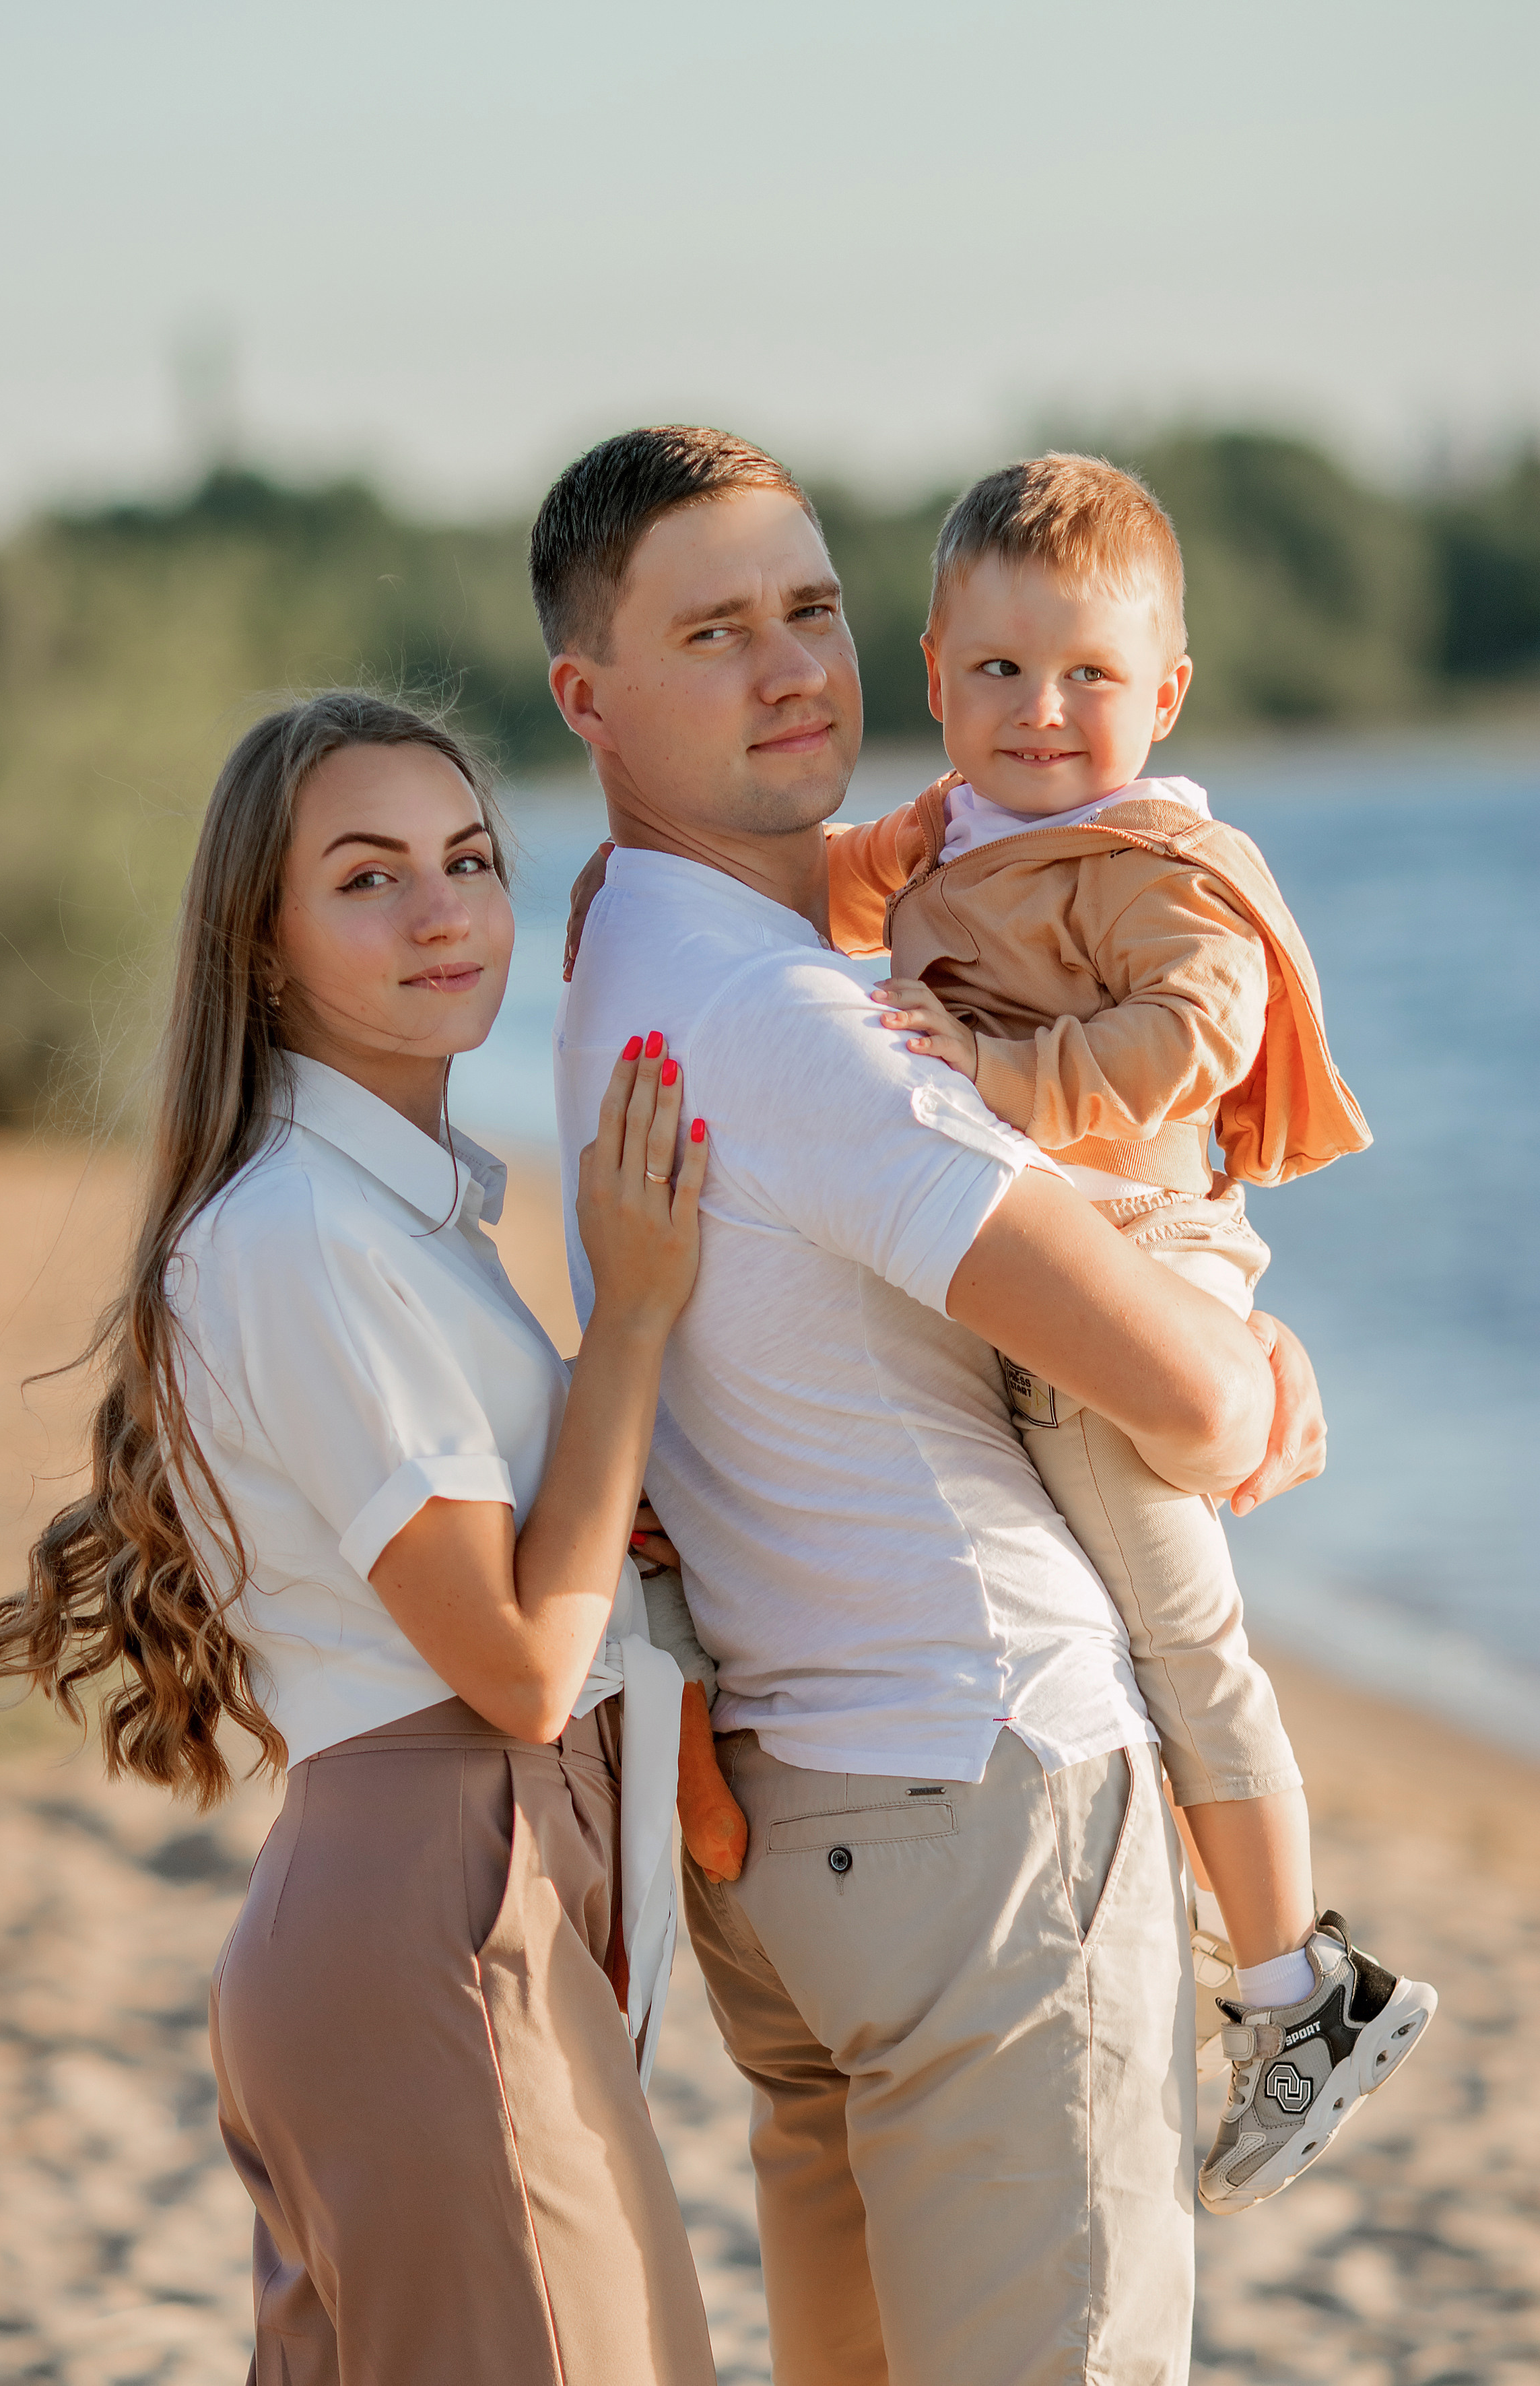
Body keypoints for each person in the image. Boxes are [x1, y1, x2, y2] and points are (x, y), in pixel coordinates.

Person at [535, 426, 1323, 2386]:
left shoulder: (615, 944)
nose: (792, 665)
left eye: (808, 609)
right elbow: (1197, 1415)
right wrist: (1256, 1363)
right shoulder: (807, 1029)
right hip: (984, 1809)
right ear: (590, 698)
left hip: (797, 1852)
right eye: (713, 630)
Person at [729, 452, 1440, 2216]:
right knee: (1115, 1628)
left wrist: (996, 1077)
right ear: (936, 674)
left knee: (1185, 1639)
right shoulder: (951, 830)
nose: (1041, 715)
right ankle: (1219, 1936)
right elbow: (805, 893)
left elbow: (1201, 1033)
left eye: (1088, 678)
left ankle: (1297, 1989)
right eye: (996, 675)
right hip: (1064, 1261)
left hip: (1149, 1251)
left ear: (1165, 693)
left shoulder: (1153, 862)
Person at [0, 692, 716, 2386]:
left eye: (466, 860)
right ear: (263, 942)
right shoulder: (303, 1232)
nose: (443, 910)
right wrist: (632, 1325)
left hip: (433, 1899)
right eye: (369, 876)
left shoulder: (399, 1214)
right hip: (436, 1900)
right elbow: (521, 1666)